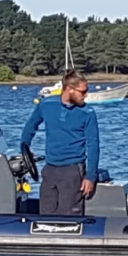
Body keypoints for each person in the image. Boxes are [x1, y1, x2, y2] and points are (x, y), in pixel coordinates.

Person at [21, 69, 100, 216]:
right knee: (45, 213)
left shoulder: (87, 113)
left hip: (73, 170)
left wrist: (90, 176)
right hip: (50, 168)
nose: (86, 95)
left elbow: (93, 145)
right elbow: (31, 126)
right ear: (69, 89)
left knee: (69, 216)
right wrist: (25, 148)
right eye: (82, 92)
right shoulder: (46, 104)